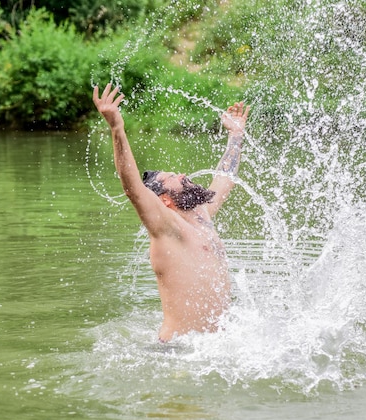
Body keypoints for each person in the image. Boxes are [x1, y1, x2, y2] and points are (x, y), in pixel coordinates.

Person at [93, 83, 250, 342]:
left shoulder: (201, 216)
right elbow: (132, 188)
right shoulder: (166, 229)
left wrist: (236, 136)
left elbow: (225, 177)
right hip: (176, 353)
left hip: (213, 348)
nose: (183, 175)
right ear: (163, 200)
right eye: (173, 177)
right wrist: (117, 128)